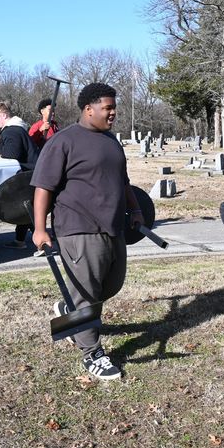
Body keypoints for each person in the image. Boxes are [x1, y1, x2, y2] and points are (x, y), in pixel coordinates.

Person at [31, 82, 144, 381]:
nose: (113, 113)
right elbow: (43, 187)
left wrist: (135, 210)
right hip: (77, 227)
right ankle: (92, 353)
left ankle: (68, 310)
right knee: (88, 294)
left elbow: (122, 181)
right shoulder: (64, 141)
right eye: (108, 108)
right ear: (88, 109)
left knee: (111, 285)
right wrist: (40, 229)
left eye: (114, 107)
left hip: (112, 226)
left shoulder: (111, 141)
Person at [0, 100, 40, 249]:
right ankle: (20, 241)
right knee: (26, 209)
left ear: (3, 115)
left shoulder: (11, 131)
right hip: (32, 172)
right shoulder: (17, 129)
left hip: (28, 174)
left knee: (27, 209)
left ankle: (42, 245)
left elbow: (11, 156)